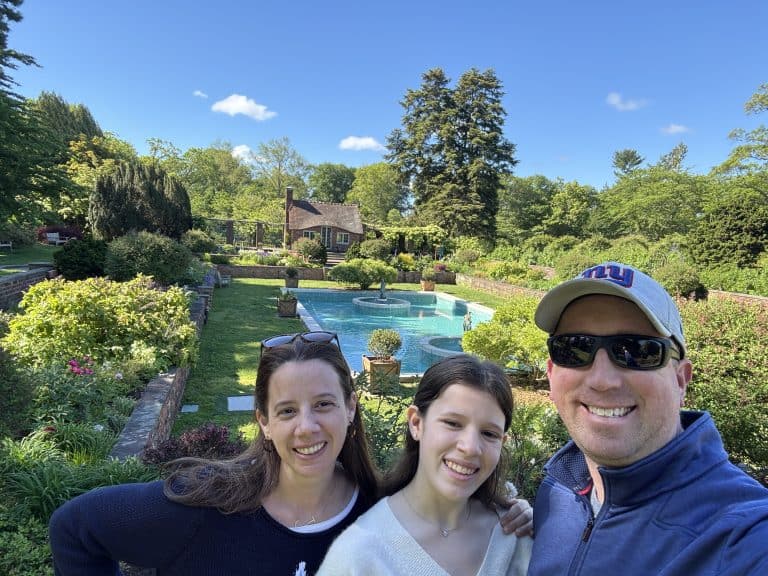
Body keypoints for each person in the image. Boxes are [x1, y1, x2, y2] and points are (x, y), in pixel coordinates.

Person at [49, 331, 379, 576]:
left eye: (323, 404)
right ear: (264, 422)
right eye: (287, 411)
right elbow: (75, 528)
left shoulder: (388, 519)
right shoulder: (206, 509)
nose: (306, 427)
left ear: (350, 408)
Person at [527, 262, 768, 575]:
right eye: (574, 349)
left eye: (636, 351)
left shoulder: (741, 536)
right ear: (551, 373)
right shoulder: (558, 492)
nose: (602, 380)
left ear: (680, 380)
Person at [318, 354, 533, 575]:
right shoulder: (357, 557)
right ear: (416, 423)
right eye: (452, 423)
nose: (470, 447)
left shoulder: (517, 534)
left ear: (502, 443)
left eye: (489, 434)